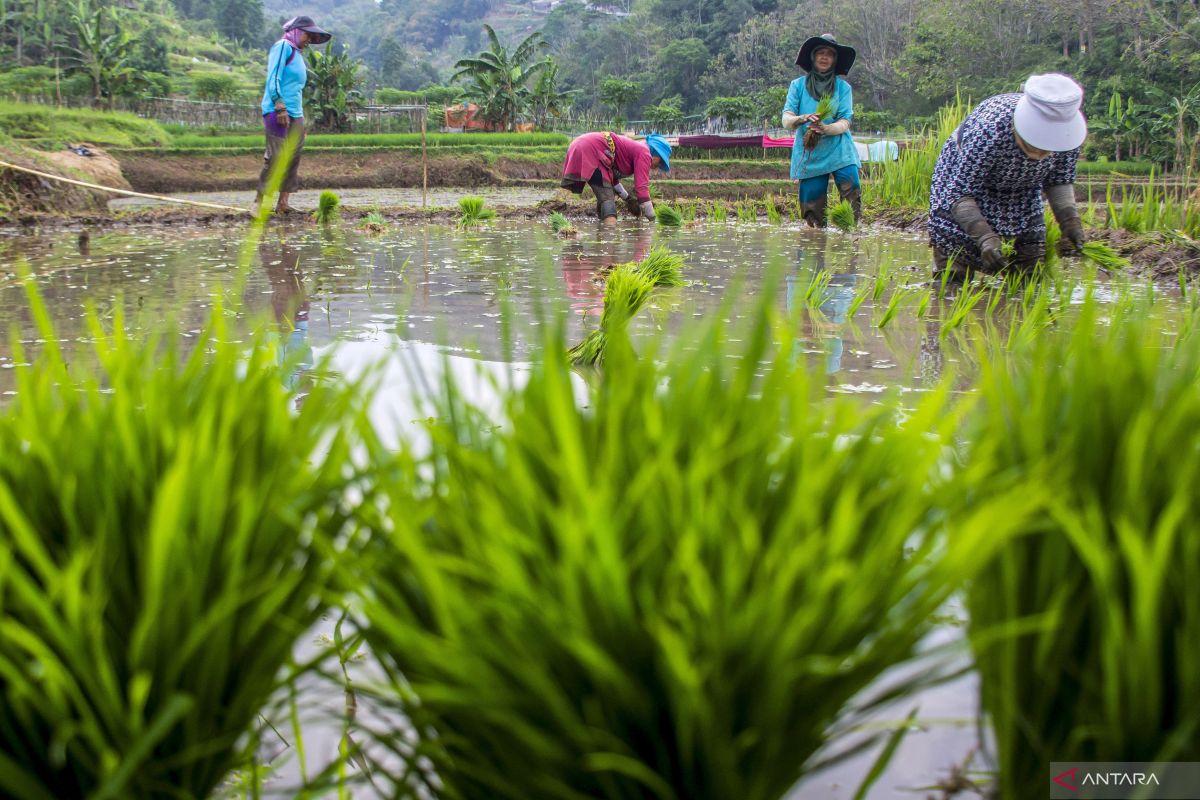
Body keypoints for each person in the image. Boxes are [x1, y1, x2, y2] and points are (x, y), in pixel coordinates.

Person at [928, 73, 1088, 281]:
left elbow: (1058, 180)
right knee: (954, 262)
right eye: (1035, 145)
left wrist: (1070, 222)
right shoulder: (990, 128)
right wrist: (985, 237)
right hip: (965, 191)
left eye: (1048, 148)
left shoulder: (1068, 137)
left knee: (1029, 265)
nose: (1040, 155)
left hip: (1023, 192)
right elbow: (959, 193)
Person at [254, 16, 332, 216]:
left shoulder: (297, 54)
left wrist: (300, 119)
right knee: (277, 156)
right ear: (296, 31)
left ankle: (283, 203)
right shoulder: (282, 47)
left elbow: (296, 89)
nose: (309, 40)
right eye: (307, 34)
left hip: (295, 113)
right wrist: (279, 105)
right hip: (277, 110)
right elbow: (274, 77)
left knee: (292, 157)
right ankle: (260, 203)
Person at [782, 34, 862, 228]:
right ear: (813, 57)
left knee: (851, 187)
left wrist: (826, 128)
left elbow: (845, 121)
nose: (825, 57)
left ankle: (851, 232)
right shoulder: (798, 86)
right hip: (810, 151)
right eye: (820, 53)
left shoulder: (843, 88)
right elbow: (786, 119)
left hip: (839, 148)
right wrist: (802, 118)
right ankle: (815, 241)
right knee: (812, 205)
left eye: (830, 54)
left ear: (835, 60)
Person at [561, 132, 672, 225]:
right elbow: (641, 188)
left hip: (581, 144)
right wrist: (653, 220)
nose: (659, 165)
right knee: (607, 199)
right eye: (660, 160)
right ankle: (609, 240)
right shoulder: (644, 152)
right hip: (591, 149)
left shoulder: (635, 149)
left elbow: (611, 179)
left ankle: (602, 237)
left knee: (604, 196)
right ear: (655, 153)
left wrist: (628, 199)